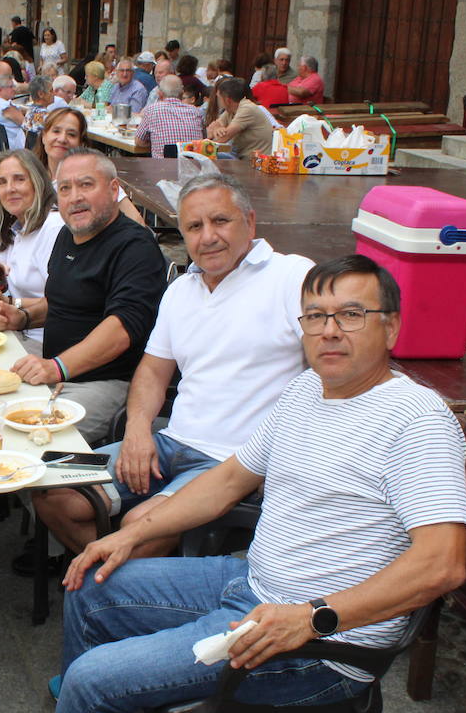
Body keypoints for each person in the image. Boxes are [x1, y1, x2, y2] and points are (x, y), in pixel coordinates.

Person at [0, 254, 466, 713]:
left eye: (352, 314)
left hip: (317, 646)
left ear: (392, 325)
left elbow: (442, 564)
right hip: (252, 584)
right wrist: (125, 539)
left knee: (96, 678)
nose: (329, 330)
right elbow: (228, 479)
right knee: (90, 583)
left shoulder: (415, 419)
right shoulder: (307, 392)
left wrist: (314, 617)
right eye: (315, 316)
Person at [29, 173, 313, 555]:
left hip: (234, 462)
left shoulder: (292, 276)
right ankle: (113, 580)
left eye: (220, 221)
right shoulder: (181, 290)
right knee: (49, 485)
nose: (207, 236)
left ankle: (108, 578)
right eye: (194, 226)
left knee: (138, 526)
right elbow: (151, 371)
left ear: (250, 222)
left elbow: (326, 372)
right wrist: (137, 433)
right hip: (171, 442)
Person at [0, 149, 166, 445]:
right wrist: (22, 317)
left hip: (108, 382)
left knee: (29, 443)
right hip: (57, 374)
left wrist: (56, 366)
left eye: (86, 185)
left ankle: (78, 492)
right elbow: (64, 301)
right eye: (65, 188)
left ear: (114, 190)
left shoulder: (135, 246)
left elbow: (122, 329)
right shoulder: (68, 235)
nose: (74, 197)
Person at [0, 150, 66, 355]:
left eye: (19, 179)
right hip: (15, 333)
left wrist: (10, 303)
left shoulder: (53, 227)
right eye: (2, 182)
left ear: (37, 183)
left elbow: (62, 302)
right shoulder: (17, 227)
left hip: (43, 344)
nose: (10, 188)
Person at [135, 75, 204, 157]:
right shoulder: (196, 111)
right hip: (192, 167)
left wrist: (155, 143)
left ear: (160, 94)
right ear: (182, 93)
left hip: (163, 167)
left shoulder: (152, 110)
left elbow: (139, 141)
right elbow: (202, 139)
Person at [207, 77, 274, 159]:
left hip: (255, 162)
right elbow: (212, 128)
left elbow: (223, 138)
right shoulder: (231, 110)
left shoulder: (247, 109)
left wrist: (215, 132)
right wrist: (217, 128)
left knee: (208, 155)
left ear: (227, 100)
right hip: (242, 157)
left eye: (218, 97)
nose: (217, 100)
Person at [0, 75, 27, 150]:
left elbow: (21, 109)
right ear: (0, 90)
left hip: (5, 144)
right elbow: (27, 124)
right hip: (17, 145)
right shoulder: (6, 107)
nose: (14, 89)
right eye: (11, 87)